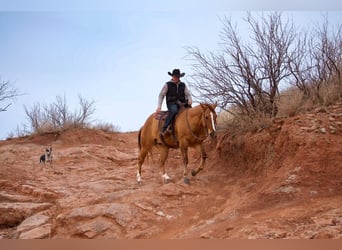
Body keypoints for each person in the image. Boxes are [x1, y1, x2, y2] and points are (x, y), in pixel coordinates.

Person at [156, 68, 192, 135]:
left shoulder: (183, 85)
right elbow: (161, 95)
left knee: (190, 111)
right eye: (175, 76)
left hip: (182, 103)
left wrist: (190, 100)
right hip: (171, 103)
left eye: (178, 77)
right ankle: (165, 127)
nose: (177, 78)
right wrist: (159, 106)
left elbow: (188, 94)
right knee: (174, 110)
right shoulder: (167, 85)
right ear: (172, 76)